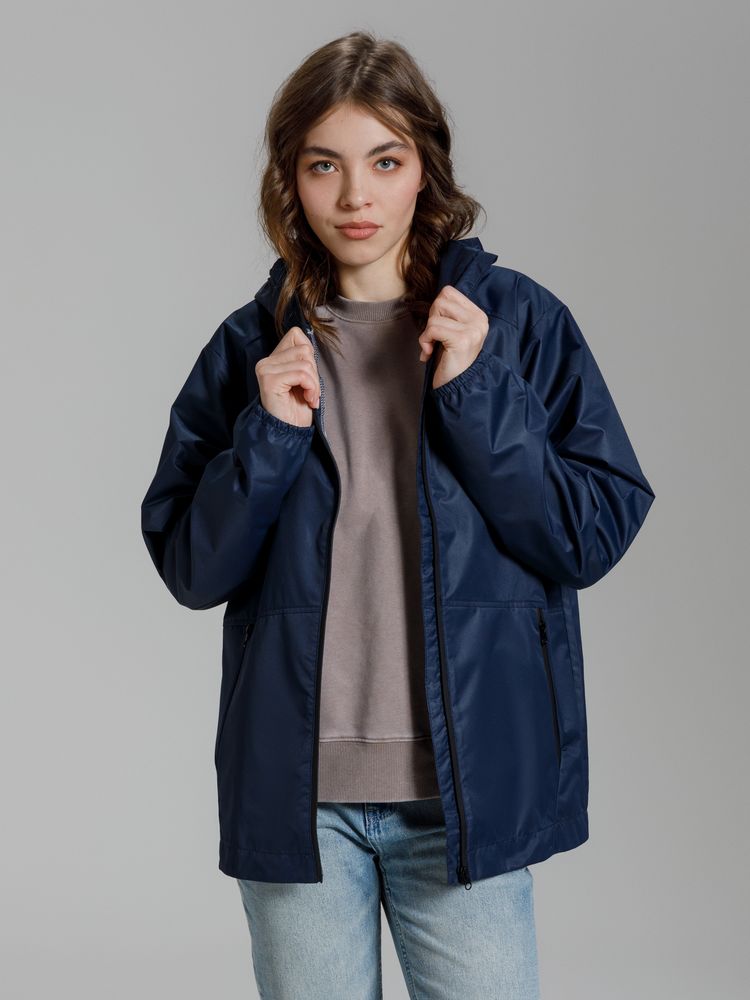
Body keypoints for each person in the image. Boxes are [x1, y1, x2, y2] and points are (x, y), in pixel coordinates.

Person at [140, 30, 656, 1000]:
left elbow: (588, 534)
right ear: (290, 179)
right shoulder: (252, 350)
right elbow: (192, 568)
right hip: (300, 803)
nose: (355, 196)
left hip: (466, 797)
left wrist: (479, 393)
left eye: (384, 161)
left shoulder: (517, 327)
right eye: (323, 165)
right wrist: (268, 435)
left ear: (426, 167)